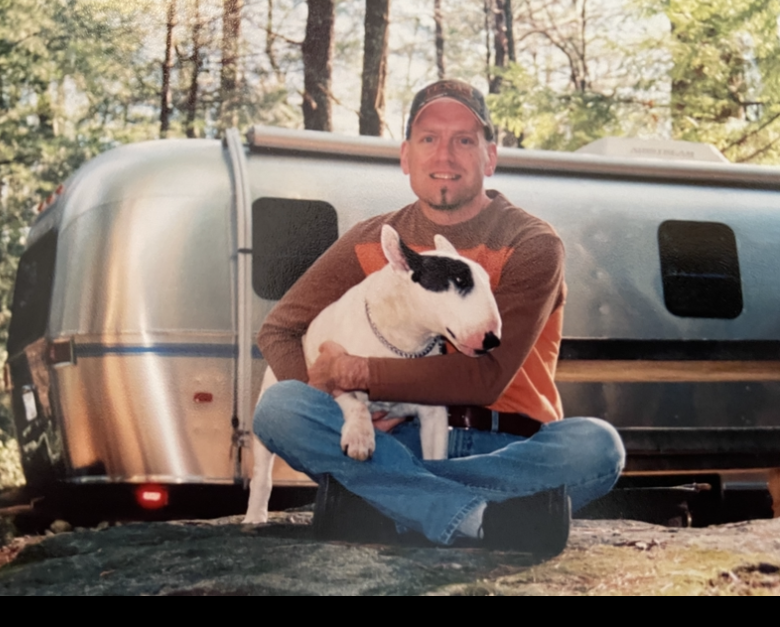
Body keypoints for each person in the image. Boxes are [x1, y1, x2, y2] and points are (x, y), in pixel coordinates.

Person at [253, 80, 626, 552]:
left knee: (597, 446)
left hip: (510, 447)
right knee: (279, 407)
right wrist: (330, 397)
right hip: (398, 440)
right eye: (429, 138)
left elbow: (485, 376)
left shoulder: (532, 243)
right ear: (406, 156)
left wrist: (357, 374)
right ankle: (476, 513)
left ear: (490, 157)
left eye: (464, 140)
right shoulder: (370, 241)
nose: (444, 155)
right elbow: (279, 329)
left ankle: (390, 497)